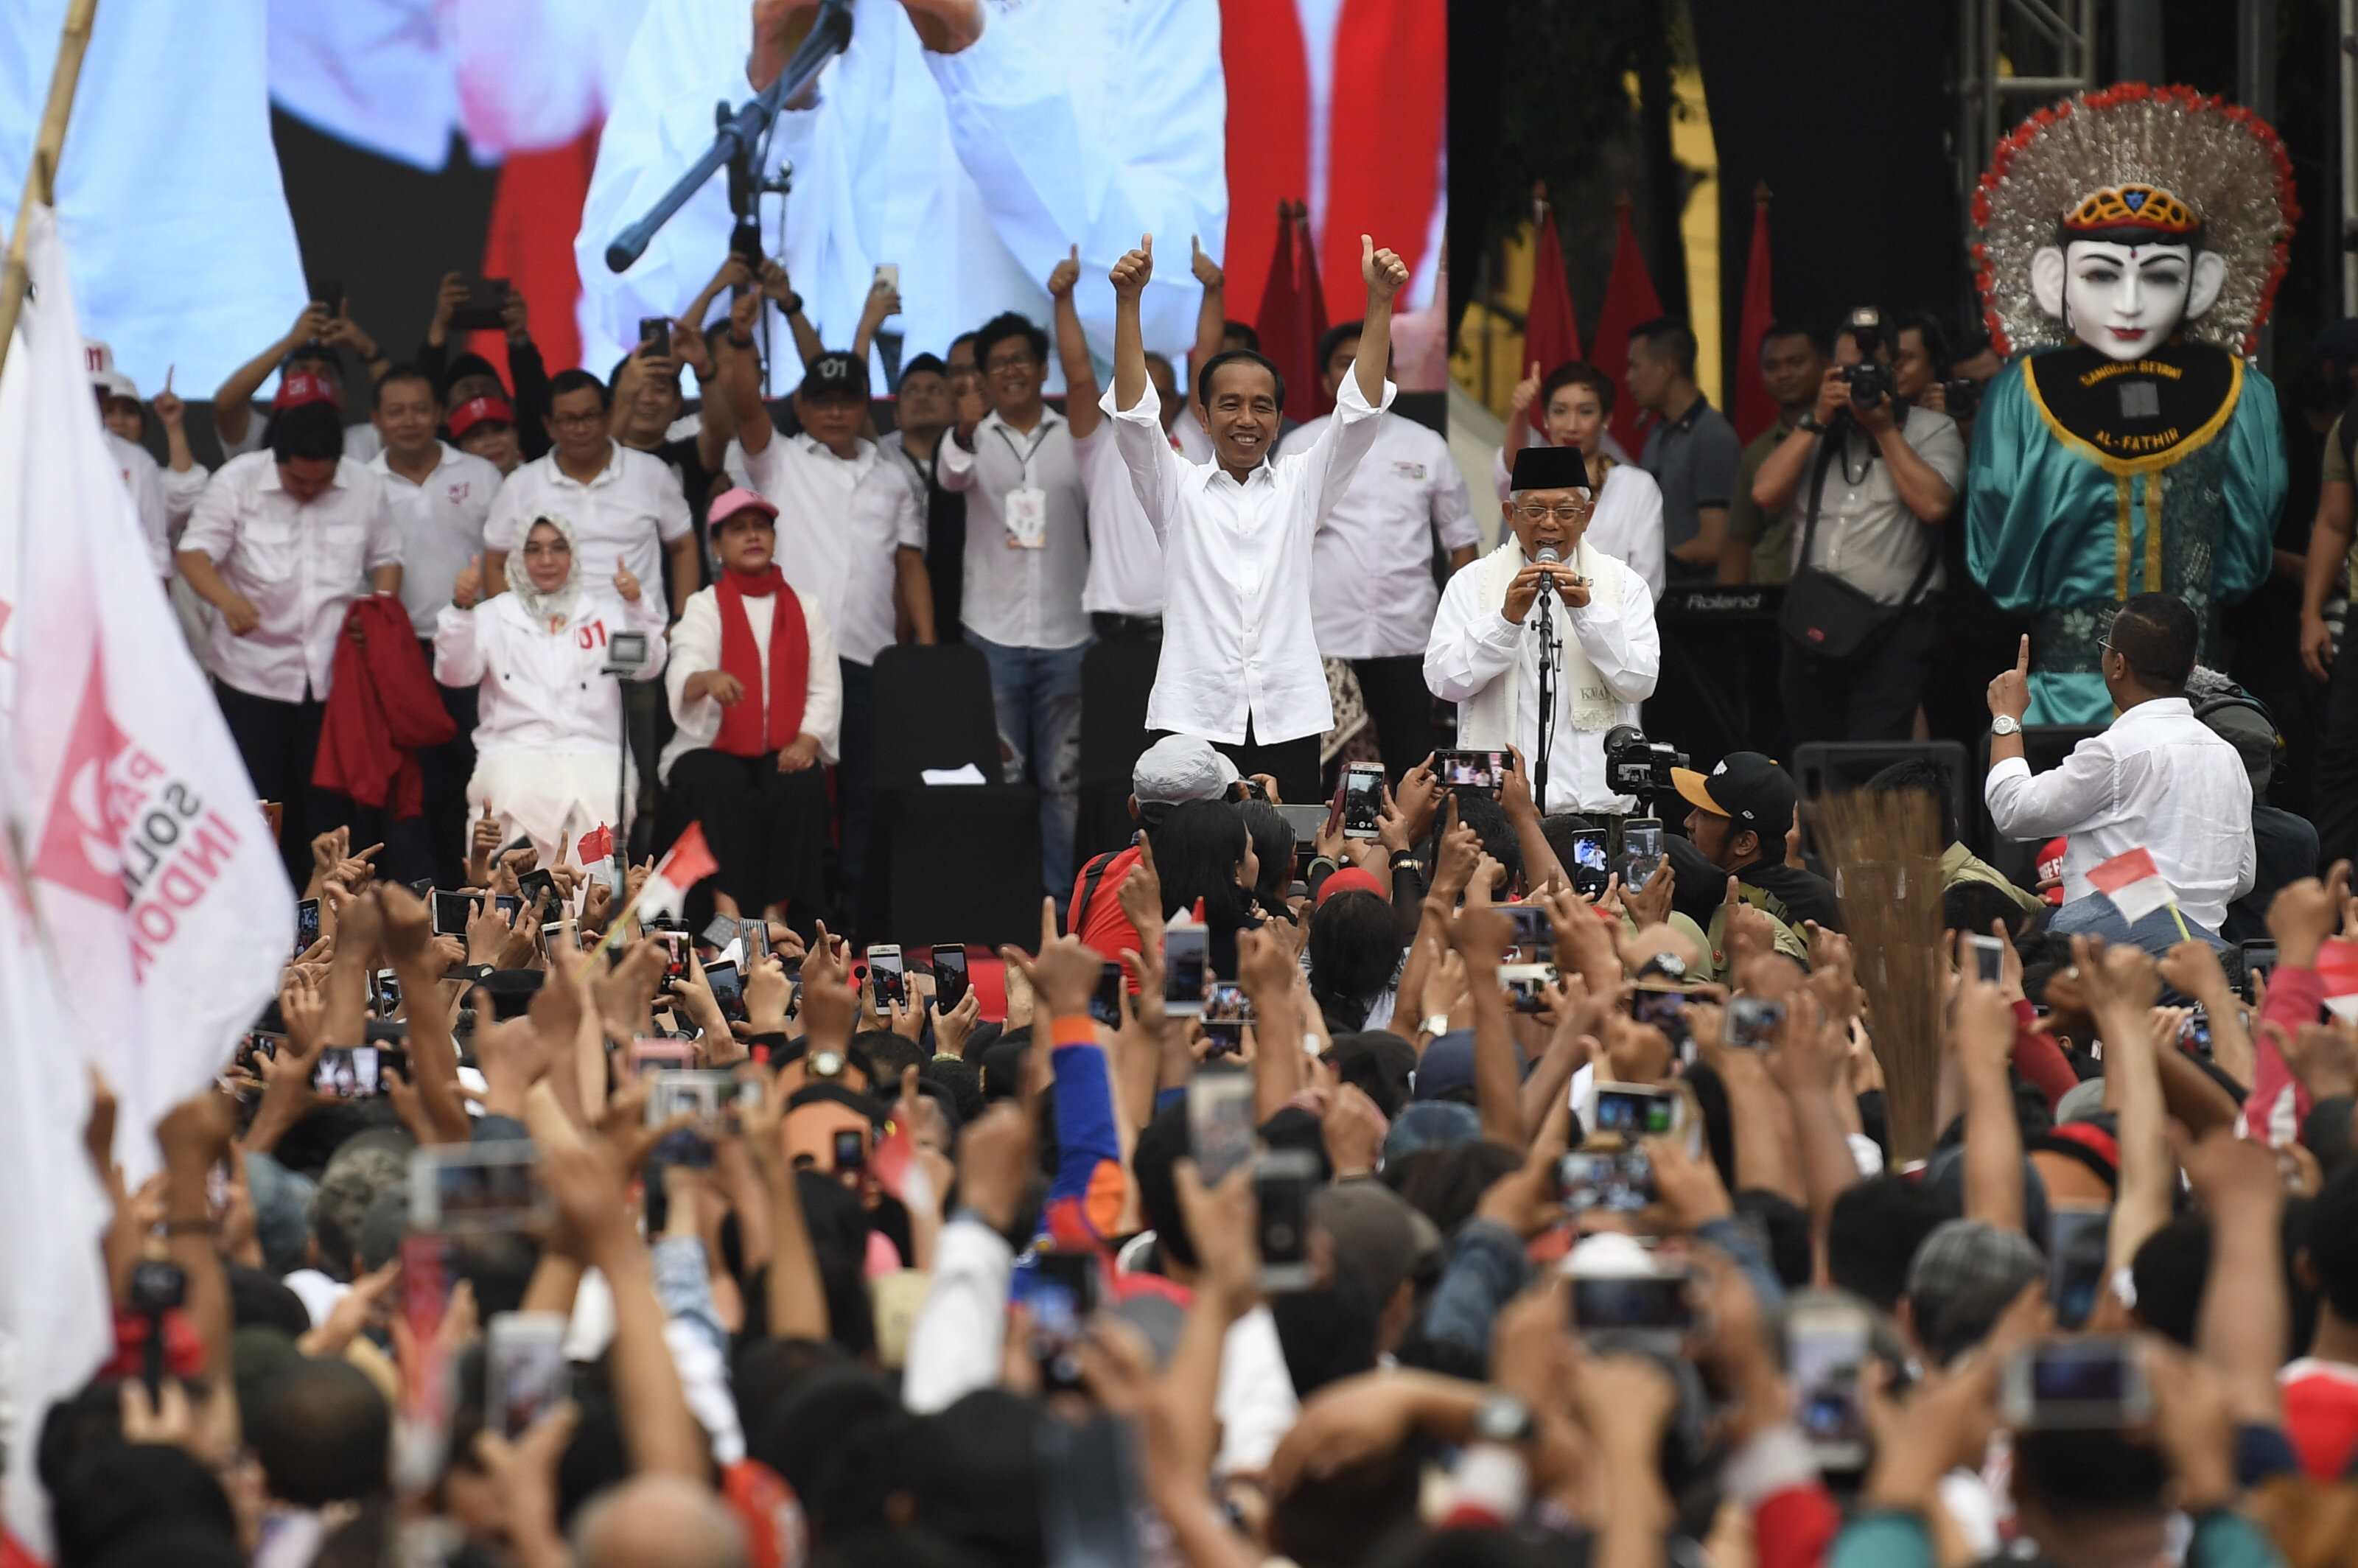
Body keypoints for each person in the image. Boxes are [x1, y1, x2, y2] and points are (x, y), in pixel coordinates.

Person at [576, 0, 1226, 389]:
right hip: (773, 498)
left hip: (1040, 491)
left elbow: (1172, 307)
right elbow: (632, 295)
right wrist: (775, 90)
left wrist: (979, 58)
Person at [1102, 232, 1410, 805]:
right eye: (1230, 404)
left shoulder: (1301, 484)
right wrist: (1128, 304)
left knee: (1284, 867)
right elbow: (1134, 418)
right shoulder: (1175, 485)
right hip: (1192, 713)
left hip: (1286, 716)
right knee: (1192, 865)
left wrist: (1380, 303)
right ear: (1203, 415)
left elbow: (1358, 414)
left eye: (1262, 405)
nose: (1246, 418)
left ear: (1279, 418)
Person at [728, 300, 934, 917]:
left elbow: (909, 564)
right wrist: (741, 341)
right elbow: (743, 406)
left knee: (867, 796)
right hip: (796, 658)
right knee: (798, 793)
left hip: (871, 657)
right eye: (824, 400)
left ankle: (858, 918)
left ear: (865, 402)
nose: (837, 410)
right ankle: (803, 914)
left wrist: (923, 648)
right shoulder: (781, 460)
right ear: (803, 407)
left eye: (849, 398)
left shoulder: (893, 476)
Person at [176, 401, 403, 882]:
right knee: (255, 802)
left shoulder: (365, 487)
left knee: (330, 809)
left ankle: (325, 920)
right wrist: (226, 600)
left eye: (321, 483)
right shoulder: (238, 481)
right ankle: (257, 918)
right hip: (250, 675)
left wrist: (378, 611)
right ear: (276, 459)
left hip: (334, 679)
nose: (309, 490)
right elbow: (194, 554)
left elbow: (387, 558)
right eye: (298, 481)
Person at [1984, 597, 2255, 953]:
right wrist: (2097, 880)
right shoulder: (2227, 756)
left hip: (2120, 965)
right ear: (2192, 668)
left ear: (2118, 665)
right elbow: (2241, 877)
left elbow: (2012, 810)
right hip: (2205, 962)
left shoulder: (2116, 751)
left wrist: (2007, 717)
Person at [1753, 308, 1966, 744]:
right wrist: (1816, 420)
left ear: (1895, 369)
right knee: (1814, 758)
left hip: (1893, 630)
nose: (1858, 383)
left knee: (1876, 759)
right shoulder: (1817, 430)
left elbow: (1934, 505)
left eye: (1869, 372)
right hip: (1812, 626)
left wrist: (1885, 430)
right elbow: (1764, 494)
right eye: (1847, 372)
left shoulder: (1932, 429)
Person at [1278, 320, 1480, 780]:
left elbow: (1462, 544)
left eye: (1367, 361)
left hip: (1408, 640)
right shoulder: (1299, 446)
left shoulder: (1426, 445)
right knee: (1321, 778)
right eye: (1343, 364)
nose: (1356, 373)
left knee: (1412, 768)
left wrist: (1452, 631)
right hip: (1321, 644)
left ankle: (1410, 854)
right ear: (1326, 379)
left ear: (1390, 374)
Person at [939, 304, 1094, 903]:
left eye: (1020, 359)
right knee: (1002, 777)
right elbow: (950, 479)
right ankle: (1004, 903)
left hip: (1069, 633)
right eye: (997, 364)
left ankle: (1055, 903)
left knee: (1063, 782)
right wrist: (964, 428)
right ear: (981, 377)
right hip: (993, 633)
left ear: (1041, 366)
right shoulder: (971, 438)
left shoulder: (1074, 436)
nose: (1010, 371)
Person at [1423, 444, 1659, 819]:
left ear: (1587, 517)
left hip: (1598, 804)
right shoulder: (1472, 584)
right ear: (1510, 515)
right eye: (1534, 511)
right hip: (1496, 807)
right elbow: (1442, 682)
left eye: (1566, 512)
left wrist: (1587, 614)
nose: (1550, 524)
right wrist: (1505, 622)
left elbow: (1640, 682)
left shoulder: (1623, 584)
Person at [435, 513, 667, 867]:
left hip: (593, 748)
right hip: (514, 746)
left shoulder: (605, 614)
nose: (547, 560)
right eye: (534, 550)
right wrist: (463, 610)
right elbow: (455, 674)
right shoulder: (494, 615)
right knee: (513, 791)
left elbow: (648, 665)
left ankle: (589, 911)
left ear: (573, 555)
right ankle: (512, 912)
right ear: (518, 557)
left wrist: (636, 605)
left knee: (605, 796)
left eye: (558, 548)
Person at [659, 490, 840, 935]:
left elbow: (825, 687)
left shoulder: (806, 607)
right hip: (709, 744)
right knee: (715, 779)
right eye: (738, 529)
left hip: (783, 746)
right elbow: (683, 663)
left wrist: (807, 740)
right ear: (716, 546)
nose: (753, 535)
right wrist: (707, 680)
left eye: (761, 526)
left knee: (799, 780)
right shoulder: (704, 605)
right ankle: (727, 914)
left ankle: (776, 915)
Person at [368, 364, 505, 882]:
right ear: (376, 418)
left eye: (421, 409)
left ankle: (472, 894)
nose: (410, 421)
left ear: (440, 415)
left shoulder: (480, 474)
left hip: (474, 649)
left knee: (473, 779)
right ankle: (417, 905)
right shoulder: (362, 482)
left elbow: (503, 561)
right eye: (397, 411)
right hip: (399, 658)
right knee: (410, 788)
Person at [482, 368, 700, 618]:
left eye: (590, 416)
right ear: (549, 426)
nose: (581, 428)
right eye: (569, 420)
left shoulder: (651, 473)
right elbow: (495, 562)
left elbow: (683, 545)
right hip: (552, 644)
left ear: (609, 416)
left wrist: (683, 620)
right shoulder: (520, 485)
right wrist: (513, 628)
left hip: (639, 640)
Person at [1048, 256, 1164, 644]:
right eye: (1135, 390)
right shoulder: (1099, 443)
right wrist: (1063, 300)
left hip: (1185, 621)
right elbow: (1080, 380)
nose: (1145, 401)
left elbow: (1208, 356)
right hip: (1114, 624)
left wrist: (1213, 292)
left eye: (1158, 393)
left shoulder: (1194, 438)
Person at [1497, 359, 1666, 601]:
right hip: (1532, 624)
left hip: (1611, 625)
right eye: (1560, 411)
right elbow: (1513, 469)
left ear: (1606, 418)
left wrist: (1595, 622)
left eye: (1586, 412)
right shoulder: (1529, 477)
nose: (1572, 425)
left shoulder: (1637, 486)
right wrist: (1520, 411)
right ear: (1545, 418)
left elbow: (1647, 581)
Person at [1666, 751, 1840, 936]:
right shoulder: (1823, 894)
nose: (1688, 822)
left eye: (1703, 814)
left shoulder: (1701, 900)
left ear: (1745, 843)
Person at [1626, 318, 1741, 581]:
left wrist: (1641, 570)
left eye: (1635, 366)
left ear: (1666, 368)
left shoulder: (1713, 437)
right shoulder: (1657, 432)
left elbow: (1715, 543)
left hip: (1691, 600)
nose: (1628, 377)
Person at [211, 299, 388, 463]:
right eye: (301, 371)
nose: (312, 380)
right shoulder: (262, 436)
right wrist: (290, 342)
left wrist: (369, 350)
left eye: (325, 373)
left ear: (342, 396)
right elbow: (226, 405)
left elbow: (400, 402)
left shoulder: (361, 442)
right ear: (282, 388)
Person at [1718, 323, 1825, 587]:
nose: (1784, 374)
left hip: (1841, 600)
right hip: (1771, 599)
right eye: (1772, 366)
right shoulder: (1758, 452)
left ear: (1827, 364)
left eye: (1796, 362)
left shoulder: (1853, 436)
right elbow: (1739, 542)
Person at [2302, 392, 2358, 867]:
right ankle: (2336, 903)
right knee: (2343, 759)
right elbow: (2335, 521)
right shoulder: (2351, 419)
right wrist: (2311, 613)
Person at [85, 343, 172, 582]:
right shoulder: (24, 451)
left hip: (119, 600)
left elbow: (157, 553)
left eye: (97, 392)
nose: (88, 399)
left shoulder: (138, 463)